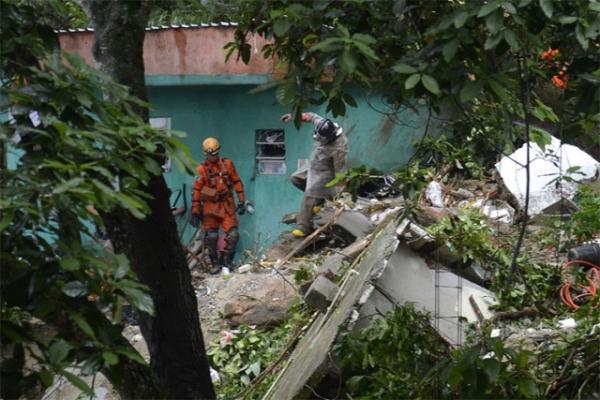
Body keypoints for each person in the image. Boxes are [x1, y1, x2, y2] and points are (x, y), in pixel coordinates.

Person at [280, 112, 348, 237]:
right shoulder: (322, 123)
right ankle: (320, 200)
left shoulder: (339, 147)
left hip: (325, 171)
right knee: (296, 178)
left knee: (310, 194)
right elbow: (310, 116)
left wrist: (343, 196)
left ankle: (304, 227)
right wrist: (294, 116)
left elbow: (340, 173)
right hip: (313, 164)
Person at [190, 137, 251, 270]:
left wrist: (242, 199)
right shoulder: (201, 170)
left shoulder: (227, 164)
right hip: (210, 207)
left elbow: (236, 181)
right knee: (211, 237)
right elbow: (196, 190)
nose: (214, 157)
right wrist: (195, 210)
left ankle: (227, 262)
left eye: (216, 154)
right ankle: (215, 264)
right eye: (211, 155)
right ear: (206, 154)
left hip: (227, 205)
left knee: (233, 235)